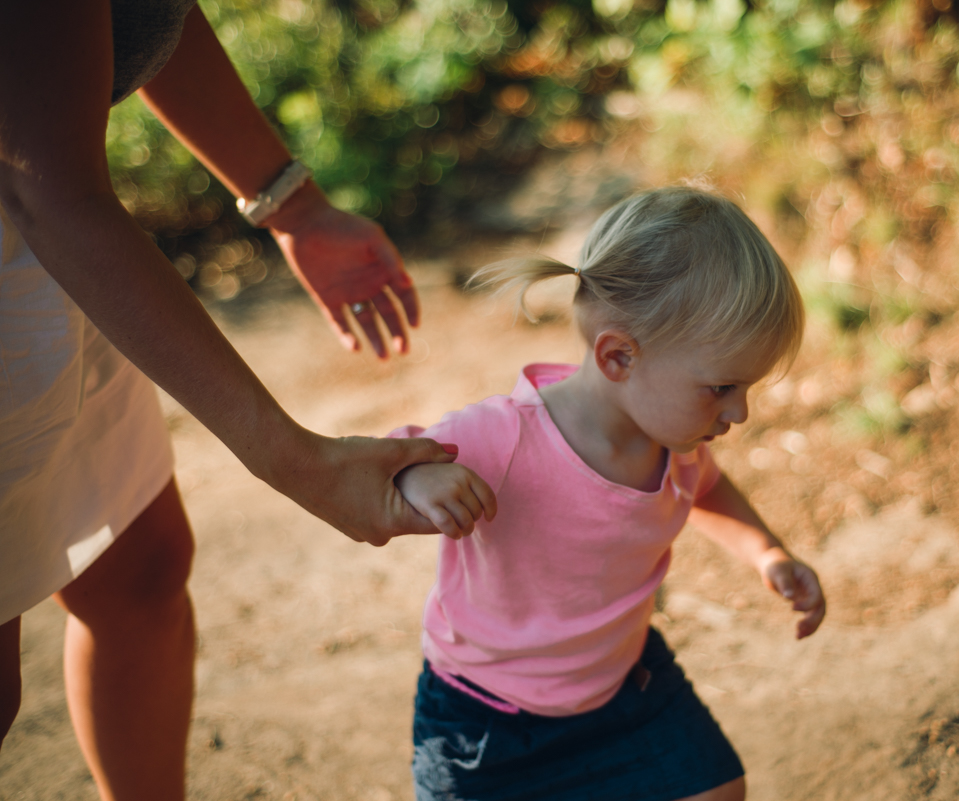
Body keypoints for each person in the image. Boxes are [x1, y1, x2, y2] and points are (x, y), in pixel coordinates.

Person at [0, 2, 472, 796]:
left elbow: (139, 17)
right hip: (50, 223)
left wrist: (291, 203)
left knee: (139, 568)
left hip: (59, 250)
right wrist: (298, 460)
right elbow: (46, 187)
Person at [387, 186, 826, 801]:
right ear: (619, 356)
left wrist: (767, 553)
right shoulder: (504, 437)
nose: (741, 411)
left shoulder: (677, 442)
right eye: (722, 387)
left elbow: (708, 489)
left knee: (717, 789)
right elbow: (383, 459)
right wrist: (415, 475)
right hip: (487, 718)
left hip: (623, 687)